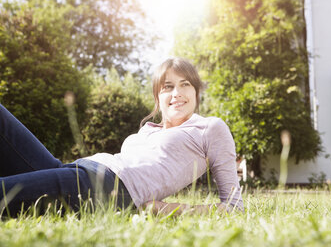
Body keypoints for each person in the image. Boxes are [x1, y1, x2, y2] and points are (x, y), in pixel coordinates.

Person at [0, 58, 243, 217]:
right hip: (79, 171)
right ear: (158, 97)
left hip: (108, 188)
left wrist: (170, 209)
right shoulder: (147, 130)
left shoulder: (210, 128)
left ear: (196, 92)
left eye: (185, 84)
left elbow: (233, 207)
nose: (177, 93)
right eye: (167, 87)